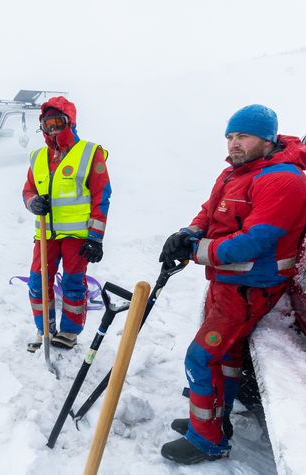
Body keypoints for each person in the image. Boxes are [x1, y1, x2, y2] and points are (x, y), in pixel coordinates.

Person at [159, 105, 306, 464]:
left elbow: (254, 242)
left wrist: (194, 251)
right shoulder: (235, 174)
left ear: (267, 139)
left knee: (200, 356)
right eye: (230, 136)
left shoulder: (283, 179)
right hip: (227, 282)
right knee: (225, 357)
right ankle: (213, 420)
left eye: (243, 136)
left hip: (250, 287)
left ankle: (206, 440)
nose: (234, 143)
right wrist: (187, 233)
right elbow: (209, 213)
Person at [23, 96, 111, 352]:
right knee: (37, 282)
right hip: (46, 235)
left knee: (73, 284)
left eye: (57, 122)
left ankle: (69, 332)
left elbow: (101, 196)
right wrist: (33, 204)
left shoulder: (89, 152)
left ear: (69, 123)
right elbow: (28, 190)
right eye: (46, 124)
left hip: (77, 236)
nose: (52, 129)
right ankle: (45, 329)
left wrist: (95, 237)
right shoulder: (38, 157)